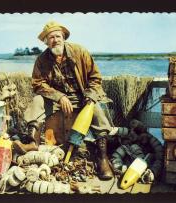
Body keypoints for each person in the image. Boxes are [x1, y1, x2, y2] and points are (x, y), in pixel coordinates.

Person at [10, 21, 116, 180]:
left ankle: (102, 158)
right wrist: (59, 97)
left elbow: (95, 78)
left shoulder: (80, 52)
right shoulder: (42, 59)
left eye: (58, 36)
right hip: (56, 100)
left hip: (82, 97)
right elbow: (38, 85)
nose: (55, 40)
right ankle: (32, 143)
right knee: (38, 101)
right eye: (51, 37)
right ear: (46, 41)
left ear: (63, 37)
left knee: (96, 110)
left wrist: (90, 96)